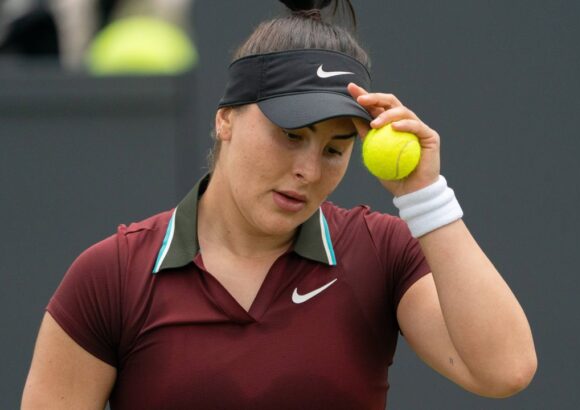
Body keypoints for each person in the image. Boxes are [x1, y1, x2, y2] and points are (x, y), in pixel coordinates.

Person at [21, 0, 537, 408]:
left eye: (334, 149)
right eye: (291, 135)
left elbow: (505, 370)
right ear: (225, 119)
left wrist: (425, 195)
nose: (309, 170)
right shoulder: (111, 275)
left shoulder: (382, 252)